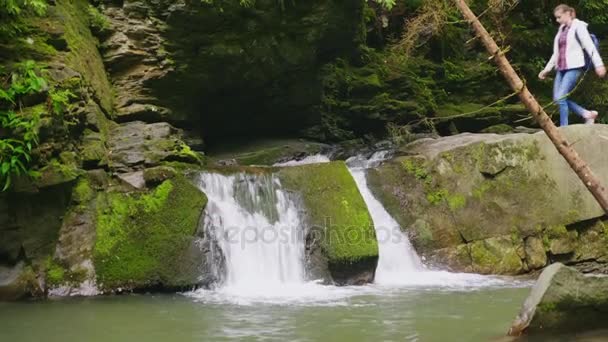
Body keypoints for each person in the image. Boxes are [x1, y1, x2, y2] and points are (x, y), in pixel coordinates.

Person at [538, 4, 606, 126]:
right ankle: (587, 114)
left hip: (574, 67)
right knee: (557, 99)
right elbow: (556, 53)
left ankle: (564, 128)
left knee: (561, 98)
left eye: (559, 17)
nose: (557, 20)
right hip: (561, 68)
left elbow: (589, 46)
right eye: (556, 18)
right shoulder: (561, 30)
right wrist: (546, 69)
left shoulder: (579, 27)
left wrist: (599, 64)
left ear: (567, 14)